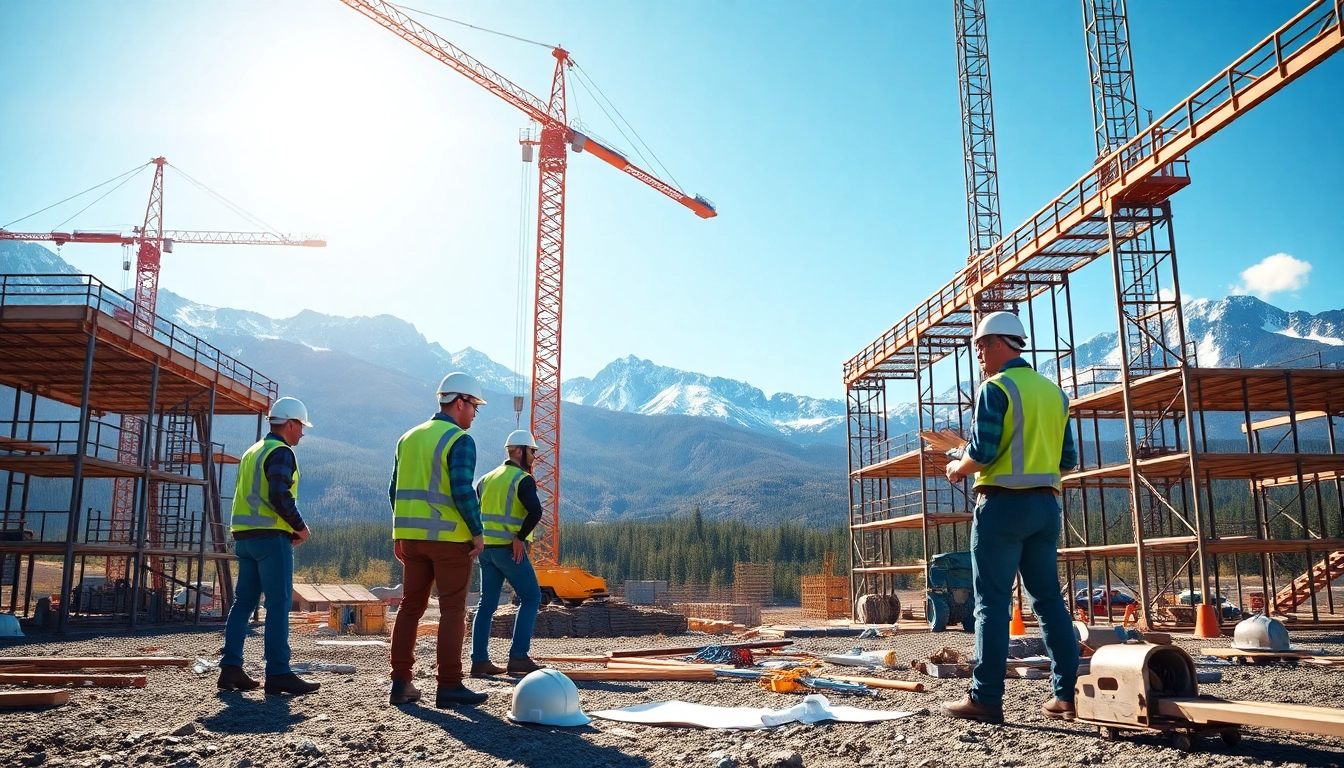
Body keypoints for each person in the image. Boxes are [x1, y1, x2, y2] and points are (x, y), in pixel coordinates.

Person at [940, 311, 1079, 724]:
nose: (978, 353)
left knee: (991, 606)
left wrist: (956, 467)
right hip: (1045, 507)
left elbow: (981, 452)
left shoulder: (995, 388)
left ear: (1001, 343)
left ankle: (985, 699)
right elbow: (1067, 459)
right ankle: (1066, 696)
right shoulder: (1054, 394)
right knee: (1049, 602)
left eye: (981, 345)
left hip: (1001, 507)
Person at [387, 372, 489, 708]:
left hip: (412, 540)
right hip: (448, 540)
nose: (474, 413)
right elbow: (462, 491)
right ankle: (448, 685)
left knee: (410, 608)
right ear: (459, 402)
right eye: (474, 405)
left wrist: (401, 532)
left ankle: (401, 683)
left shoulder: (407, 438)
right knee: (453, 610)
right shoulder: (459, 440)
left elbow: (394, 491)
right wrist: (477, 532)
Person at [219, 396, 321, 695]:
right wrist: (300, 528)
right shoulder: (281, 452)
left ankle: (231, 669)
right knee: (278, 605)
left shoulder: (253, 451)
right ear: (289, 424)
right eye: (301, 426)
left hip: (244, 537)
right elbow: (279, 495)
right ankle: (278, 672)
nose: (302, 432)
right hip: (270, 538)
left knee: (243, 604)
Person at [469, 430, 546, 678]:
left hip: (486, 551)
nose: (535, 457)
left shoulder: (485, 479)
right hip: (509, 550)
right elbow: (535, 512)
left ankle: (479, 662)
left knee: (487, 604)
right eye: (533, 451)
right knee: (532, 596)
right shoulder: (522, 479)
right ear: (519, 451)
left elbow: (476, 512)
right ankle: (519, 657)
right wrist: (519, 538)